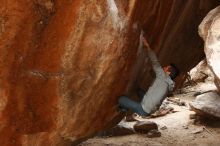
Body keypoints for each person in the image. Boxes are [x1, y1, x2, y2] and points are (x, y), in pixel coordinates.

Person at [118, 33, 180, 116]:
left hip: (143, 109)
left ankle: (124, 108)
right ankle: (138, 104)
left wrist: (147, 46)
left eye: (166, 67)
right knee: (139, 91)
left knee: (121, 99)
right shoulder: (169, 84)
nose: (164, 67)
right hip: (151, 110)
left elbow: (155, 62)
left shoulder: (163, 76)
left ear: (168, 72)